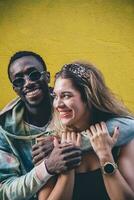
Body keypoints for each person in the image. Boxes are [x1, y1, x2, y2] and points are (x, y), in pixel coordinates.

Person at [33, 61, 134, 200]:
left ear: (88, 97)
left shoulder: (119, 138)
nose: (58, 104)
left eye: (66, 95)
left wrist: (105, 156)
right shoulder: (50, 144)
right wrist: (67, 169)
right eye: (55, 96)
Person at [0, 51, 82, 200]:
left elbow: (125, 126)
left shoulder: (68, 104)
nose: (28, 83)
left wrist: (60, 145)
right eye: (19, 80)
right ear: (14, 88)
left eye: (34, 74)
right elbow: (4, 191)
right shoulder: (4, 129)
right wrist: (47, 167)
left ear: (47, 76)